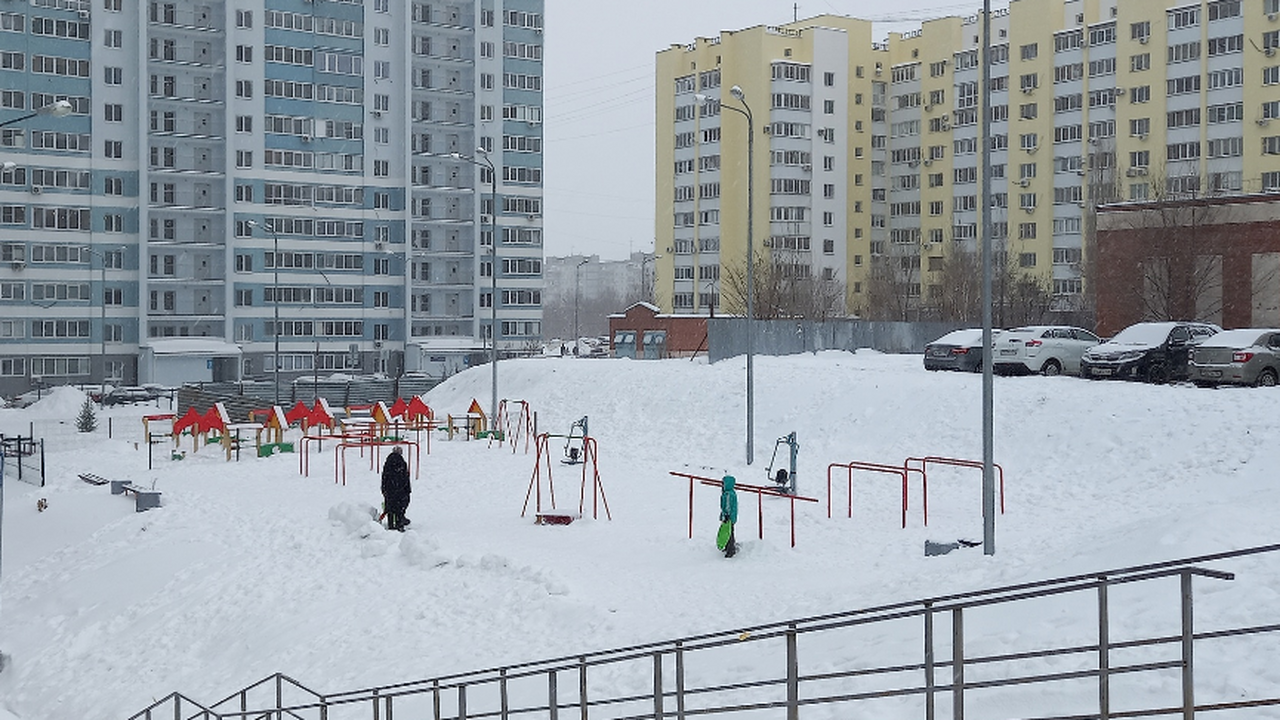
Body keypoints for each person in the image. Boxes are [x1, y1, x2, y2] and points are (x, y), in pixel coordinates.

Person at [381, 446, 412, 531]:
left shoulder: (387, 463)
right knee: (400, 507)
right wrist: (408, 489)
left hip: (389, 488)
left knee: (390, 507)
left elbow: (384, 476)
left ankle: (390, 524)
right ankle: (399, 523)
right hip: (400, 489)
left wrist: (383, 489)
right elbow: (405, 477)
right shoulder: (402, 463)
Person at [720, 474, 738, 558]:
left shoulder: (728, 494)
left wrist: (726, 515)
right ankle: (729, 547)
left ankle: (730, 549)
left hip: (728, 517)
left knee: (728, 533)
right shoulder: (731, 492)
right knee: (730, 532)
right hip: (731, 516)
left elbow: (727, 506)